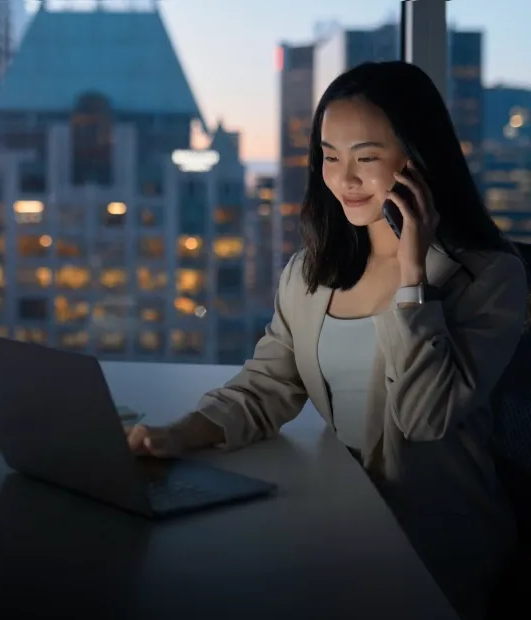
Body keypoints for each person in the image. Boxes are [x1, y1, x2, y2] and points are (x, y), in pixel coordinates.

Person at [126, 61, 527, 620]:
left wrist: (412, 276)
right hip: (334, 515)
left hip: (435, 549)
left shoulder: (489, 277)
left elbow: (424, 418)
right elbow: (267, 384)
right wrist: (177, 435)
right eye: (329, 156)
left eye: (365, 158)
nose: (344, 179)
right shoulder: (311, 273)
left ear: (419, 160)